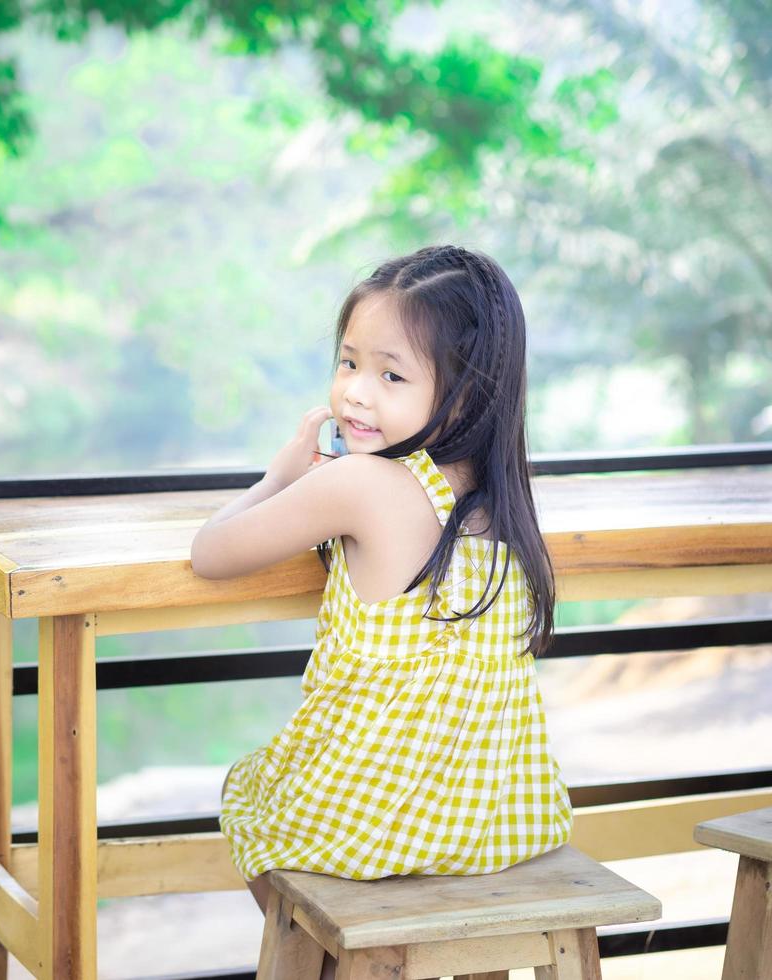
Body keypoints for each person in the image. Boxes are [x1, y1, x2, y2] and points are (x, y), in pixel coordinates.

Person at [190, 244, 573, 980]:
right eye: (348, 362)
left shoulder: (361, 484)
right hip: (495, 827)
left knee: (248, 792)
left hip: (358, 834)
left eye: (391, 374)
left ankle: (327, 962)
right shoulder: (506, 508)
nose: (356, 394)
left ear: (467, 394)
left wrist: (279, 475)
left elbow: (212, 552)